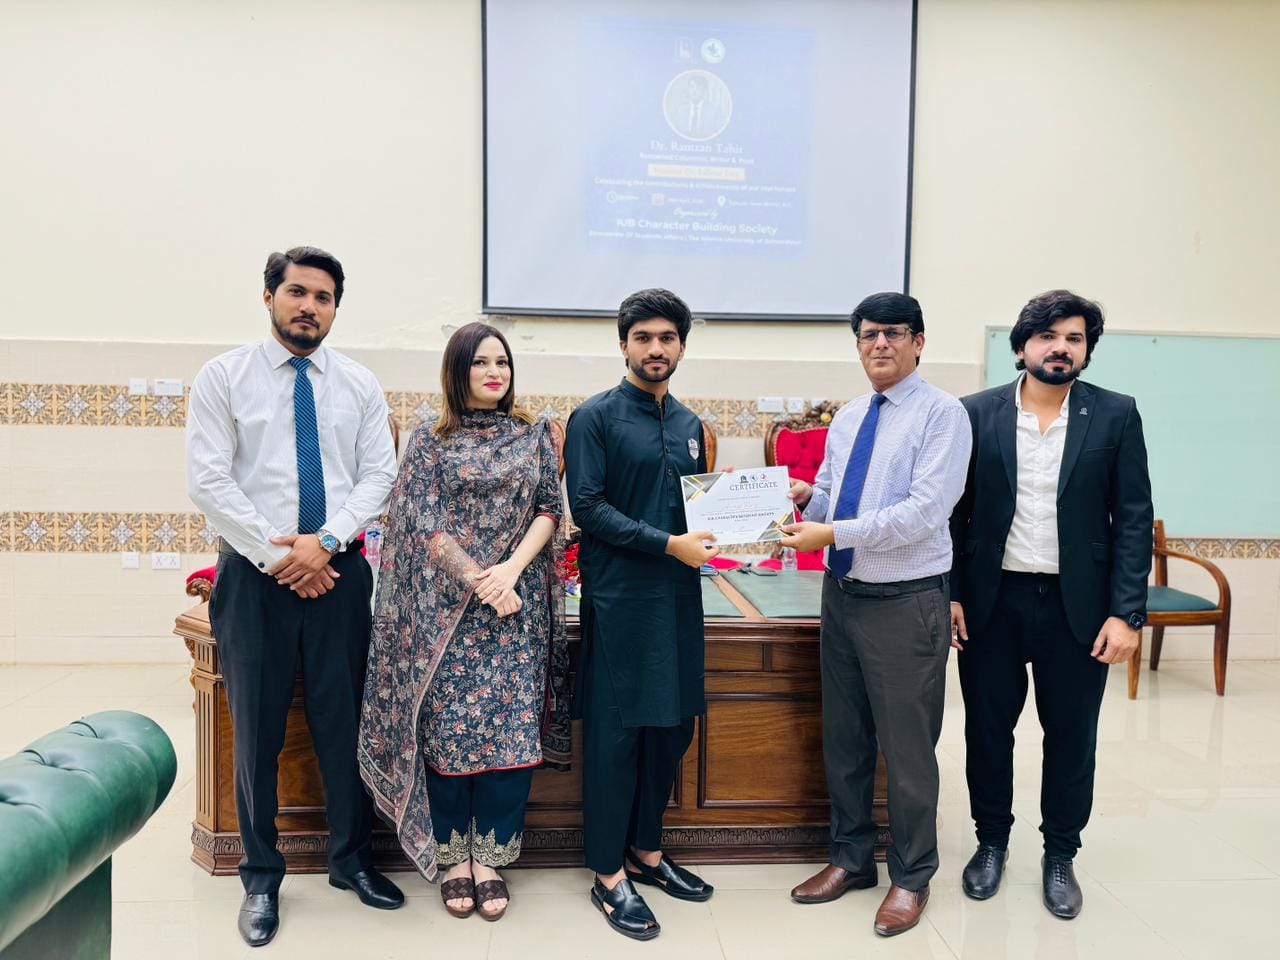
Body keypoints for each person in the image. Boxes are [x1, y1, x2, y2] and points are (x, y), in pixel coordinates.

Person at [186, 246, 404, 948]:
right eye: (297, 292)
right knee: (257, 732)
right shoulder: (224, 377)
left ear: (336, 308)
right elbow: (209, 481)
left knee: (347, 724)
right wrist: (282, 555)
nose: (310, 306)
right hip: (256, 580)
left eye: (324, 297)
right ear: (269, 297)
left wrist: (327, 541)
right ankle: (260, 876)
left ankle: (352, 860)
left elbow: (379, 476)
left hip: (340, 574)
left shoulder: (359, 384)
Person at [949, 290, 1152, 919]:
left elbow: (1133, 518)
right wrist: (951, 593)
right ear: (1022, 347)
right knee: (988, 732)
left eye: (1074, 338)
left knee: (1071, 737)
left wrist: (1127, 613)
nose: (1060, 348)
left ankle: (1060, 853)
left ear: (1086, 351)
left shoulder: (1115, 414)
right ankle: (991, 843)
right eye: (1047, 336)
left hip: (1079, 609)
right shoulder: (974, 413)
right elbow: (953, 514)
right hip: (992, 602)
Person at [357, 322, 570, 922]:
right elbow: (421, 520)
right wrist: (480, 579)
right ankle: (454, 858)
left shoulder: (534, 432)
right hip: (446, 615)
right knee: (449, 736)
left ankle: (491, 859)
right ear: (457, 370)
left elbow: (550, 509)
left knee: (510, 734)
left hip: (515, 612)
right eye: (479, 362)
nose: (494, 372)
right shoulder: (430, 436)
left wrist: (510, 572)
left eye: (502, 362)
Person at [780, 292, 971, 938]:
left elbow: (924, 513)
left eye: (893, 332)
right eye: (868, 334)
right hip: (843, 595)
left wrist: (832, 533)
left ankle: (912, 876)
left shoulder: (943, 415)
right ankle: (851, 859)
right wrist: (808, 499)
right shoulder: (851, 415)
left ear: (919, 342)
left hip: (906, 601)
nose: (880, 344)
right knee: (846, 739)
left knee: (907, 750)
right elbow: (834, 496)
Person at [565, 288, 719, 941]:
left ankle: (646, 853)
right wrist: (667, 544)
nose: (656, 349)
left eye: (667, 338)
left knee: (671, 730)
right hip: (620, 599)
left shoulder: (690, 426)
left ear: (681, 346)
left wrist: (745, 524)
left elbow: (698, 512)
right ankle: (608, 874)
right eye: (644, 338)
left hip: (679, 599)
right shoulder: (594, 418)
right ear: (624, 344)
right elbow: (588, 508)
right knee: (617, 738)